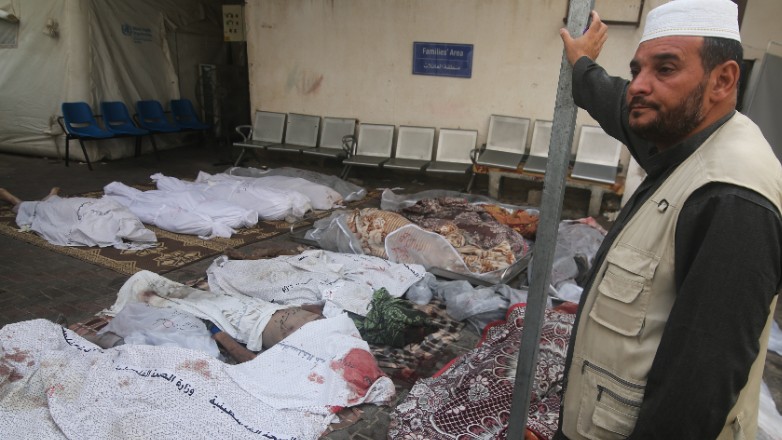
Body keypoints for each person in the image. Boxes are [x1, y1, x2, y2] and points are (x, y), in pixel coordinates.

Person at [555, 1, 782, 439]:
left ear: (723, 79)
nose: (639, 85)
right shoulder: (686, 137)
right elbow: (622, 107)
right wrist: (583, 66)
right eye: (637, 70)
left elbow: (695, 394)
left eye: (665, 69)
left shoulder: (732, 199)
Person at [0, 186, 157, 248]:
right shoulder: (123, 219)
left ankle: (18, 201)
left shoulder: (114, 228)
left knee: (51, 211)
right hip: (87, 207)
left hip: (82, 213)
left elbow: (88, 229)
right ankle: (46, 198)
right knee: (58, 208)